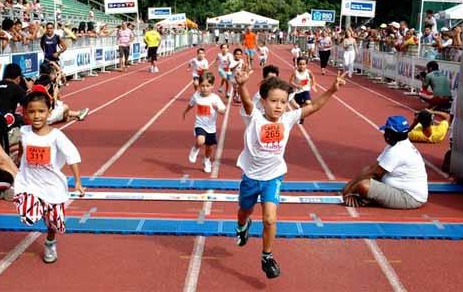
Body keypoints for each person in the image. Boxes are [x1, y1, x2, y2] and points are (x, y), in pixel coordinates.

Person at [234, 71, 345, 279]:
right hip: (251, 177)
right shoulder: (254, 117)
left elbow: (313, 107)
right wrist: (241, 85)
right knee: (244, 212)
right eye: (274, 101)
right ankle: (242, 226)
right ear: (264, 101)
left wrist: (331, 90)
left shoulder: (288, 118)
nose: (278, 106)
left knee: (269, 219)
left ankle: (267, 257)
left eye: (283, 102)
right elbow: (248, 102)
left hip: (273, 177)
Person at [13, 90, 85, 263]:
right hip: (29, 183)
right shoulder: (24, 132)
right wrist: (18, 160)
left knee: (53, 222)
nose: (36, 116)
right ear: (26, 113)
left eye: (41, 111)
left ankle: (50, 242)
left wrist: (77, 181)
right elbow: (23, 150)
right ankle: (35, 208)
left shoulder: (56, 136)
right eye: (31, 111)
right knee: (27, 216)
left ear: (49, 112)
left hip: (53, 186)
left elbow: (72, 155)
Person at [342, 115, 428, 209]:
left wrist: (348, 191)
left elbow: (375, 173)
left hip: (409, 197)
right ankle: (365, 196)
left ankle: (364, 199)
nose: (384, 134)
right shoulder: (397, 145)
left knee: (364, 186)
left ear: (390, 134)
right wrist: (348, 187)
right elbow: (372, 168)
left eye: (385, 131)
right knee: (366, 174)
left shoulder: (397, 151)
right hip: (400, 190)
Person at [183, 72, 226, 173]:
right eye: (202, 86)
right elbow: (191, 104)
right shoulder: (196, 96)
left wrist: (219, 110)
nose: (205, 88)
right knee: (200, 141)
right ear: (199, 85)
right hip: (200, 124)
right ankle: (195, 149)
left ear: (212, 86)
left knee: (209, 147)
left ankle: (207, 160)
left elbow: (223, 110)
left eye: (207, 86)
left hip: (211, 127)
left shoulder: (215, 98)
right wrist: (185, 111)